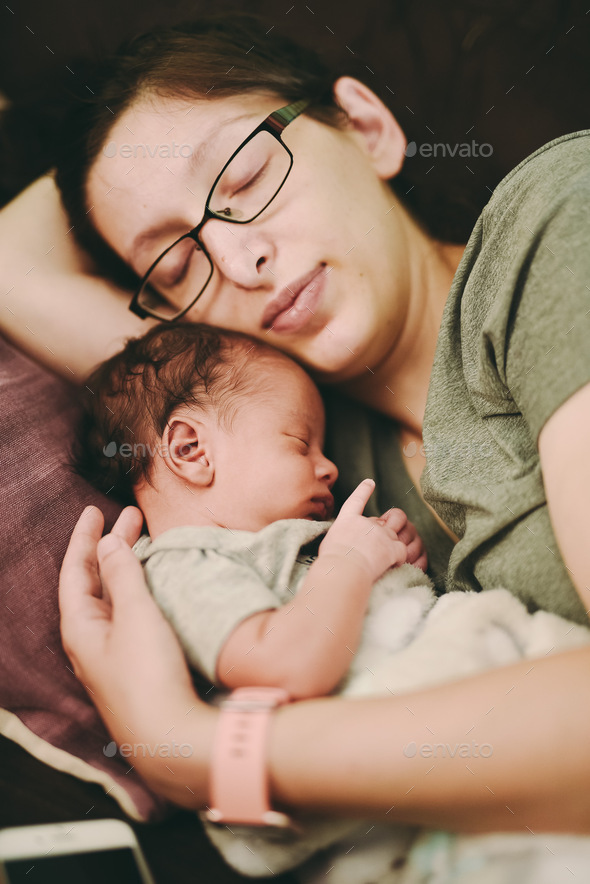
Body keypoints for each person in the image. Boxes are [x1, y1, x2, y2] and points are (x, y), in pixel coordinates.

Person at [1, 9, 589, 870]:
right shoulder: (282, 444)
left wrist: (198, 753)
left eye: (244, 177)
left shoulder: (550, 227)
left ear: (368, 127)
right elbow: (13, 265)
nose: (239, 262)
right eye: (175, 267)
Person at [72, 319, 590, 881]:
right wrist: (350, 563)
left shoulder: (272, 541)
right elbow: (282, 662)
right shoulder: (184, 563)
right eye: (300, 442)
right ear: (191, 449)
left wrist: (391, 564)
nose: (331, 467)